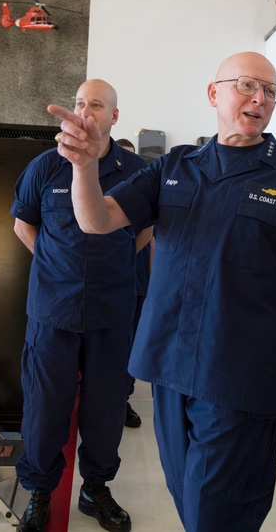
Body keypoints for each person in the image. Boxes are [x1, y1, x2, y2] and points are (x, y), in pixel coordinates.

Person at [48, 52, 276, 532]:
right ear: (213, 93)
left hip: (240, 386)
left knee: (214, 517)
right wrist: (84, 168)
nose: (260, 99)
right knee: (192, 507)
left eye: (270, 91)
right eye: (247, 85)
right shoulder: (175, 167)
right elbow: (97, 219)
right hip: (168, 372)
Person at [11, 79, 150, 532]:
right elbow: (22, 225)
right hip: (53, 310)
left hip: (113, 312)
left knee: (106, 407)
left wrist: (112, 264)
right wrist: (57, 265)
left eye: (96, 105)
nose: (85, 111)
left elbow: (145, 230)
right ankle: (39, 492)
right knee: (45, 405)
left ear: (114, 116)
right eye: (79, 103)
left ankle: (96, 489)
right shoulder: (45, 167)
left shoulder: (136, 170)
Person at [116, 136, 151, 429]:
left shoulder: (144, 195)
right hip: (107, 282)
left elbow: (150, 235)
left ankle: (122, 399)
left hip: (136, 281)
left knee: (129, 344)